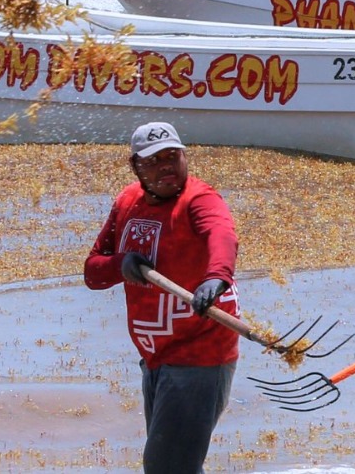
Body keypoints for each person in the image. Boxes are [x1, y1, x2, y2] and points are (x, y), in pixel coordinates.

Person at [83, 122, 240, 474]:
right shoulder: (127, 202)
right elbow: (93, 271)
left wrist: (216, 278)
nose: (166, 167)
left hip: (200, 354)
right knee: (172, 466)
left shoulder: (199, 199)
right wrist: (120, 264)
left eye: (173, 157)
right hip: (155, 357)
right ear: (136, 167)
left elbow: (222, 235)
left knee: (167, 467)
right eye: (154, 161)